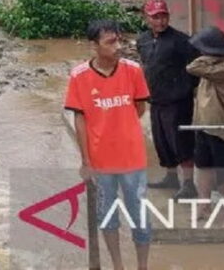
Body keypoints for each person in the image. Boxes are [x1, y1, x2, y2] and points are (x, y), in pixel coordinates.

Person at [65, 20, 152, 270]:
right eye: (110, 42)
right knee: (107, 216)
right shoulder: (79, 77)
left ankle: (143, 266)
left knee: (141, 216)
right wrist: (86, 161)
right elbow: (79, 119)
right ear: (95, 46)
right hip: (100, 162)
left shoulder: (133, 70)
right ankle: (117, 265)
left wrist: (119, 129)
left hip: (132, 159)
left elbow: (139, 107)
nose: (118, 46)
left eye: (119, 40)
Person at [137, 0, 199, 199]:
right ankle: (171, 176)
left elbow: (196, 68)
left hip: (178, 101)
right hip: (155, 99)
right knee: (161, 139)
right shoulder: (143, 40)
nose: (160, 21)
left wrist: (185, 89)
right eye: (155, 17)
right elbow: (145, 65)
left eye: (163, 16)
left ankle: (189, 183)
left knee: (180, 140)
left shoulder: (182, 41)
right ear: (146, 19)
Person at [187, 26, 224, 217]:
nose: (200, 52)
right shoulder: (214, 65)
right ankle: (204, 205)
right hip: (203, 123)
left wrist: (209, 56)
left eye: (203, 49)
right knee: (203, 165)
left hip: (219, 126)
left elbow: (192, 67)